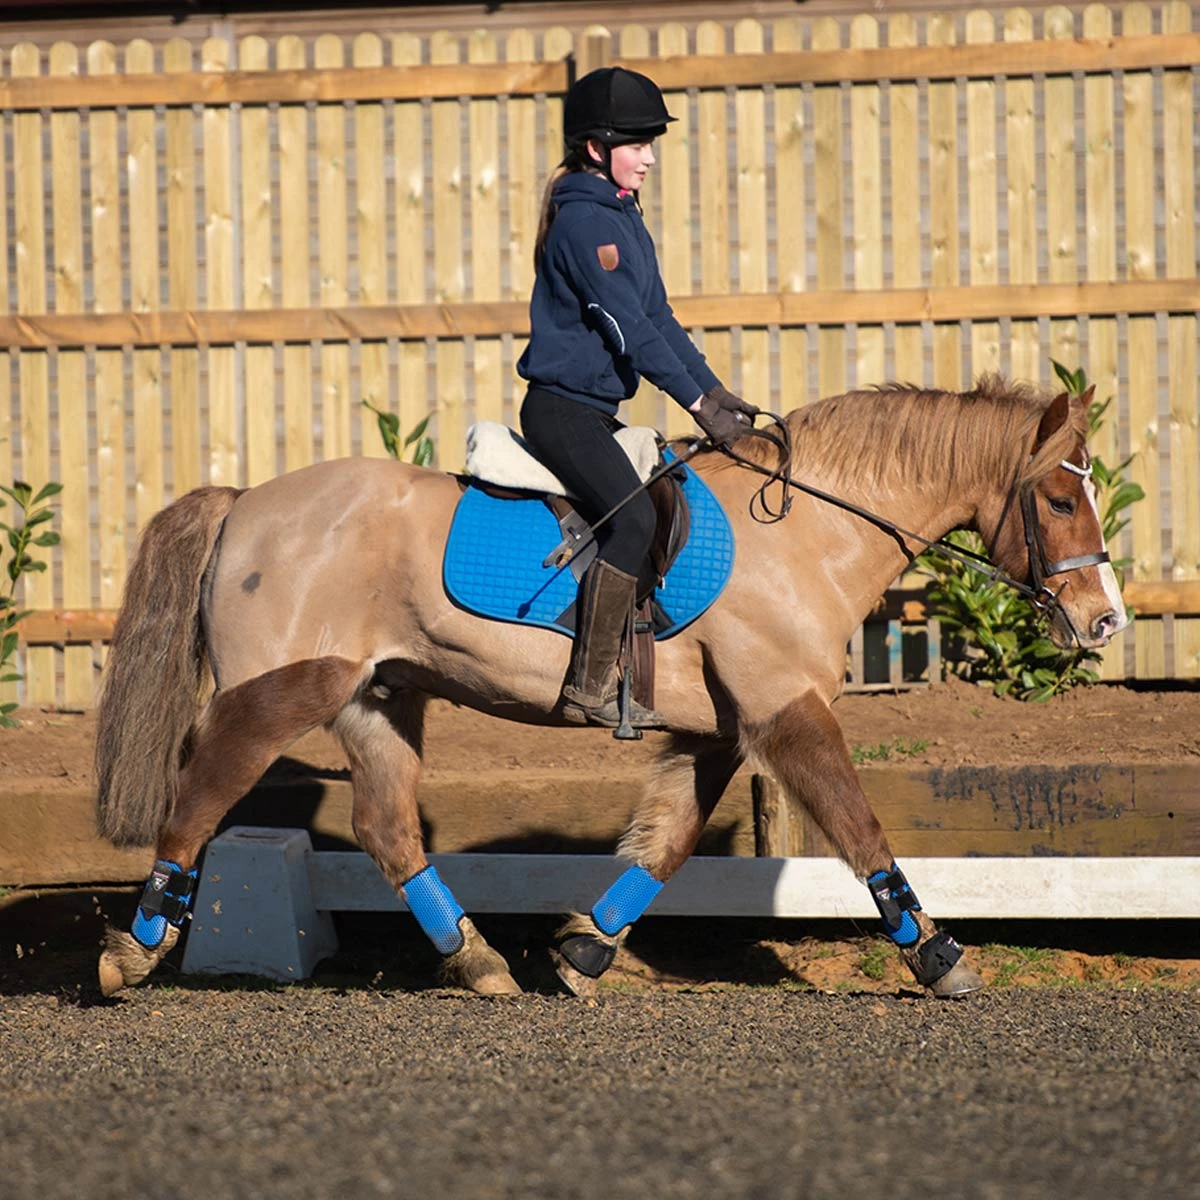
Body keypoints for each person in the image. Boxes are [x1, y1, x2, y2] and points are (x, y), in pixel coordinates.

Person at [517, 65, 758, 731]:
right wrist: (697, 408)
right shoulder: (583, 227)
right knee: (633, 523)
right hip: (560, 411)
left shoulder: (621, 218)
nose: (650, 158)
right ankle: (589, 688)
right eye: (638, 145)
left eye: (653, 144)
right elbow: (626, 328)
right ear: (597, 149)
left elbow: (660, 320)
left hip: (594, 409)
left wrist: (713, 391)